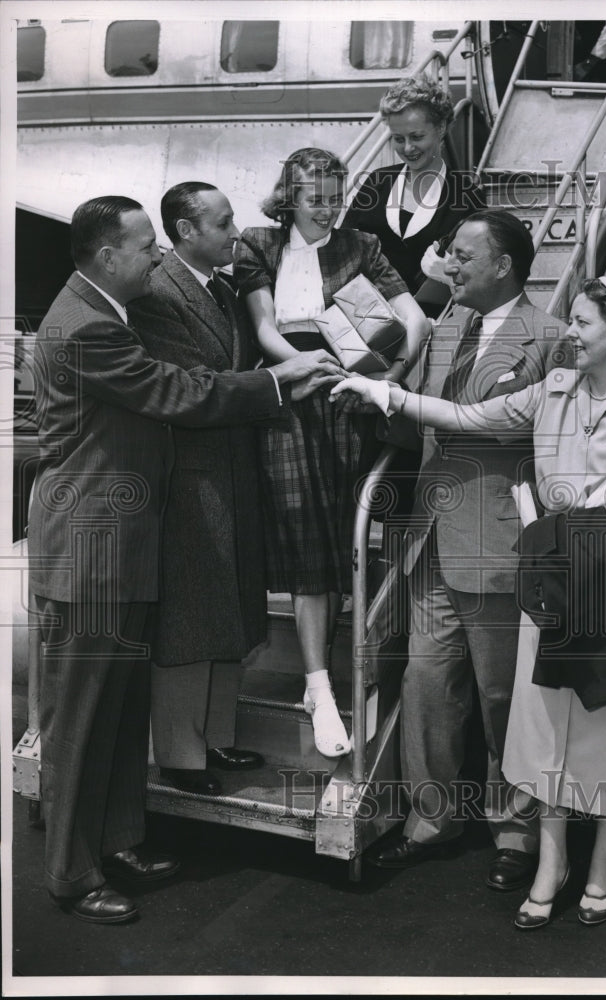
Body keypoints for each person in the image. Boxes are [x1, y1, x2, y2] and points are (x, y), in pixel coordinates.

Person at [332, 275, 606, 928]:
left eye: (582, 323)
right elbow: (470, 418)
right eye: (570, 320)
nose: (568, 333)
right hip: (550, 581)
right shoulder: (552, 390)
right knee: (545, 729)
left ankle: (603, 854)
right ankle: (552, 861)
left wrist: (570, 514)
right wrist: (388, 394)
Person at [29, 195, 342, 924]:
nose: (156, 257)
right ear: (109, 256)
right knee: (78, 722)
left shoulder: (106, 313)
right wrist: (277, 380)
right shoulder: (86, 329)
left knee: (120, 710)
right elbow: (173, 390)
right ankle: (72, 873)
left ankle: (119, 840)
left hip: (125, 550)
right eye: (146, 247)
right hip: (91, 557)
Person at [342, 209, 570, 892]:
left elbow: (523, 438)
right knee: (427, 685)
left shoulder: (550, 339)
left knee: (503, 696)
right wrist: (376, 398)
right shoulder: (443, 331)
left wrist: (407, 405)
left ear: (502, 264)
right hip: (431, 539)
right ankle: (431, 820)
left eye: (462, 255)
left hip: (499, 544)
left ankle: (515, 830)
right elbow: (420, 426)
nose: (449, 264)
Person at [233, 147, 429, 758]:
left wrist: (389, 378)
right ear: (289, 194)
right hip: (290, 402)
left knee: (342, 541)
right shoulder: (258, 243)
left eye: (334, 196)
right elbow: (264, 327)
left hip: (348, 402)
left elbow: (414, 317)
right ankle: (318, 683)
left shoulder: (361, 246)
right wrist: (295, 367)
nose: (326, 209)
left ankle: (328, 679)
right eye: (314, 197)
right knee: (306, 543)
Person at [128, 182, 267, 797]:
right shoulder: (159, 294)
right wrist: (268, 385)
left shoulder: (223, 286)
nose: (235, 232)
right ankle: (183, 758)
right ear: (187, 231)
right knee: (191, 616)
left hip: (229, 466)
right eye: (224, 222)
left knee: (226, 605)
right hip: (191, 475)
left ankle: (216, 737)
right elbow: (192, 385)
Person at [342, 74, 486, 312]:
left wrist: (447, 275)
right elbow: (344, 252)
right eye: (398, 139)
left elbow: (482, 276)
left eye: (417, 137)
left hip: (435, 323)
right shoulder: (377, 183)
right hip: (370, 320)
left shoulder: (467, 195)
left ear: (441, 128)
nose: (407, 148)